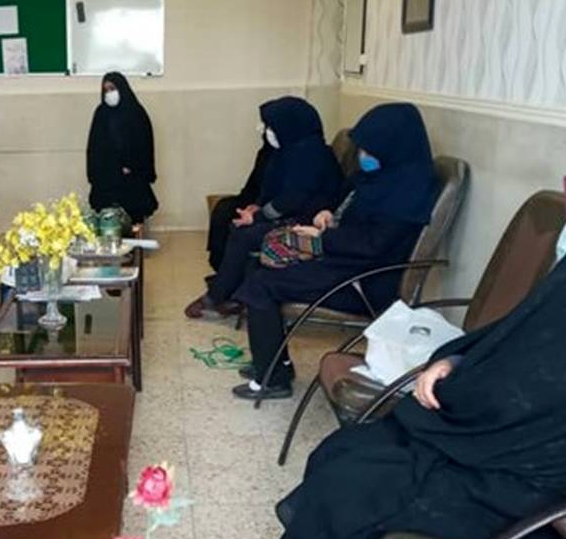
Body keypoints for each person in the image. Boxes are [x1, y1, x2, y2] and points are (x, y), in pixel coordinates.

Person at [271, 166, 566, 539]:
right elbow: (507, 342)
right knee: (347, 450)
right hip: (507, 457)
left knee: (353, 487)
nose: (565, 235)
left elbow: (522, 399)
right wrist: (453, 361)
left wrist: (454, 389)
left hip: (541, 500)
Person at [233, 102, 440, 400]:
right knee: (258, 268)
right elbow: (344, 195)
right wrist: (328, 213)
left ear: (393, 147)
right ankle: (277, 364)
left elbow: (374, 245)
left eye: (370, 149)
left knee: (262, 285)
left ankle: (273, 380)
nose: (363, 155)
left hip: (366, 281)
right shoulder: (379, 175)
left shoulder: (409, 190)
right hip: (344, 261)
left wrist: (321, 238)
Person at [186, 97, 343, 319]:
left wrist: (259, 217)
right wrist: (255, 207)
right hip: (290, 214)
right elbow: (269, 187)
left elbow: (293, 199)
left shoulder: (312, 155)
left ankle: (217, 296)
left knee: (245, 236)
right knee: (237, 226)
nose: (267, 131)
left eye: (271, 126)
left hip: (307, 222)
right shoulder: (288, 151)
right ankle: (232, 291)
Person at [86, 72, 158, 224]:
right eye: (106, 90)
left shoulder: (136, 112)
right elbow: (94, 147)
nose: (109, 93)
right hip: (107, 178)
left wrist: (131, 165)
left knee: (134, 213)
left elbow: (144, 145)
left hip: (132, 177)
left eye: (112, 88)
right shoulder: (101, 113)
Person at [207, 131, 272, 272]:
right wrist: (249, 203)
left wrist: (259, 207)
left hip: (272, 206)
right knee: (223, 208)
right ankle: (219, 265)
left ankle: (228, 274)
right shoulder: (266, 152)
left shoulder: (293, 155)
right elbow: (252, 185)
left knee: (240, 228)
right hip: (253, 200)